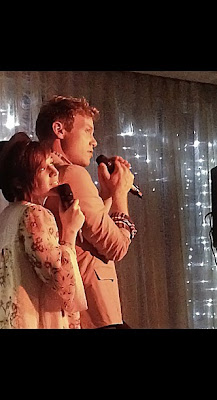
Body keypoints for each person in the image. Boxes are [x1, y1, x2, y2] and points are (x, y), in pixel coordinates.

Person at [36, 95, 137, 329]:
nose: (94, 141)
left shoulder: (44, 175)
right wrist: (121, 195)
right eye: (88, 131)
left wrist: (107, 193)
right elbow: (116, 247)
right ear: (59, 130)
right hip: (95, 310)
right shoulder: (72, 174)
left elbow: (89, 236)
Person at [0, 131, 87, 328]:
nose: (54, 172)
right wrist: (70, 231)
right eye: (43, 168)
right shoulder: (35, 214)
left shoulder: (7, 216)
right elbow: (61, 281)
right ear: (19, 182)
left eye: (52, 164)